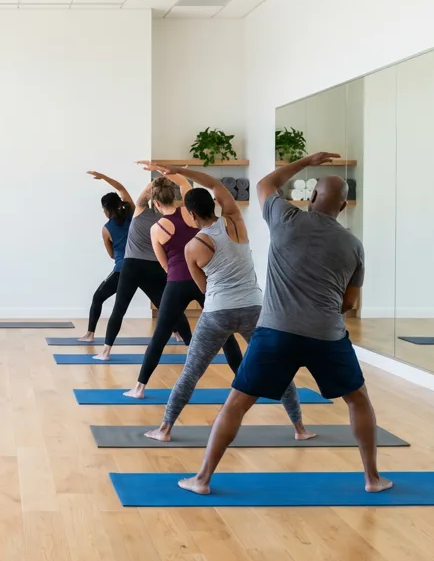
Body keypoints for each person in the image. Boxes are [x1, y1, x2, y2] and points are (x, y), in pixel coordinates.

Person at [178, 152, 392, 496]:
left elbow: (266, 184)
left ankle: (202, 479)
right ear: (342, 207)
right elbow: (349, 303)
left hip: (275, 332)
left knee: (236, 402)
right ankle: (372, 478)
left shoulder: (286, 217)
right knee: (359, 400)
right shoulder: (354, 245)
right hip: (327, 336)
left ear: (310, 198)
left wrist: (306, 161)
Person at [139, 162, 312, 442]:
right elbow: (215, 184)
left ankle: (165, 429)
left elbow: (204, 288)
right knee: (277, 366)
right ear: (214, 205)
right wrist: (181, 172)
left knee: (191, 372)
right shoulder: (234, 221)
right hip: (254, 308)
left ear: (192, 214)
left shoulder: (192, 247)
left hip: (218, 310)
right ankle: (299, 428)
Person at [123, 172, 242, 399]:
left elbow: (164, 265)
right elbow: (185, 182)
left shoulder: (156, 228)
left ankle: (139, 388)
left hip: (177, 282)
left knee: (160, 336)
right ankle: (243, 381)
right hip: (204, 280)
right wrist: (166, 171)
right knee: (225, 333)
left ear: (156, 203)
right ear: (175, 198)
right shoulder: (190, 214)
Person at [95, 172, 194, 361]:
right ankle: (189, 345)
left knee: (119, 309)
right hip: (155, 267)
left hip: (131, 266)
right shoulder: (164, 219)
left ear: (154, 200)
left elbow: (141, 194)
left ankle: (106, 352)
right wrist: (169, 177)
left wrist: (158, 179)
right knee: (170, 308)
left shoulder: (139, 210)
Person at [78, 172, 134, 342]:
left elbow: (111, 255)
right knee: (161, 300)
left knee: (98, 297)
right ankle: (177, 333)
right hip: (141, 266)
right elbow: (121, 188)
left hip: (122, 269)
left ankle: (90, 334)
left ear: (106, 209)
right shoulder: (132, 213)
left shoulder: (106, 229)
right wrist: (104, 177)